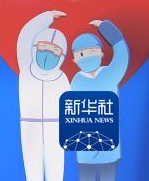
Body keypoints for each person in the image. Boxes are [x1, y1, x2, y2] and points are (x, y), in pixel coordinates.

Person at [70, 20, 128, 181]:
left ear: (101, 53)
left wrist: (105, 27)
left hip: (109, 145)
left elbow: (122, 55)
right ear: (74, 59)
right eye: (82, 54)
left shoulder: (111, 73)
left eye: (92, 51)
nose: (88, 56)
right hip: (84, 148)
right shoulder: (75, 82)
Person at [16, 11, 69, 181]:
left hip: (56, 128)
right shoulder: (26, 67)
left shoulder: (62, 78)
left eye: (55, 50)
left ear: (62, 54)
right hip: (30, 126)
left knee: (56, 170)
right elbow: (25, 36)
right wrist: (47, 17)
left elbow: (69, 105)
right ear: (35, 47)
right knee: (32, 171)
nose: (48, 53)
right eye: (43, 47)